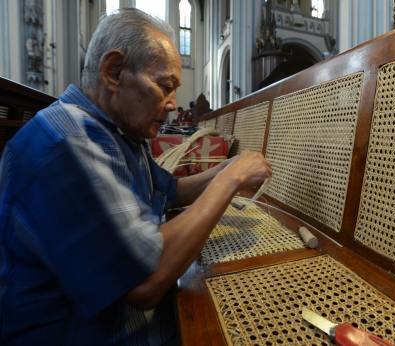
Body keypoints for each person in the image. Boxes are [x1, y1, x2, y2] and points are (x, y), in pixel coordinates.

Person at [0, 8, 271, 346]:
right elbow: (147, 281)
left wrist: (230, 168)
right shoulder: (67, 142)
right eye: (165, 86)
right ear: (113, 72)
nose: (173, 104)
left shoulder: (121, 131)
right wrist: (229, 182)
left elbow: (172, 191)